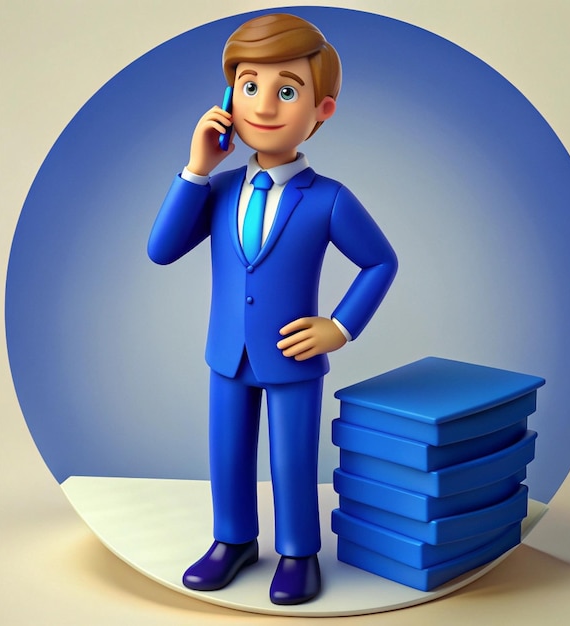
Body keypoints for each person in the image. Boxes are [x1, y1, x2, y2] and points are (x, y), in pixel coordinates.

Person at [148, 13, 397, 605]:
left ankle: (297, 552)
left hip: (292, 355)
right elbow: (161, 250)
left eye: (287, 90)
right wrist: (195, 169)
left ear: (322, 110)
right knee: (227, 454)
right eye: (249, 85)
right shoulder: (220, 189)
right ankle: (231, 541)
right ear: (229, 94)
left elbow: (381, 262)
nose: (263, 105)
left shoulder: (329, 198)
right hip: (226, 354)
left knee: (292, 459)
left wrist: (339, 326)